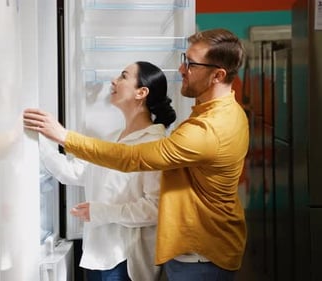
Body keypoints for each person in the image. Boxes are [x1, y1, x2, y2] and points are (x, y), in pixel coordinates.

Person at [24, 28, 248, 281]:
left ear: (217, 75)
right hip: (192, 251)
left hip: (201, 254)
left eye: (191, 64)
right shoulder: (219, 113)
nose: (182, 69)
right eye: (184, 60)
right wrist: (36, 139)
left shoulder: (208, 129)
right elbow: (83, 170)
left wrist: (64, 137)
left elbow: (132, 160)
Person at [40, 61, 176, 281]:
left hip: (125, 261)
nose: (114, 80)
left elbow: (155, 209)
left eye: (123, 76)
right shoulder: (114, 138)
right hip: (95, 254)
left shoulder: (155, 144)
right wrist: (38, 138)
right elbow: (74, 172)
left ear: (141, 92)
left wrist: (100, 211)